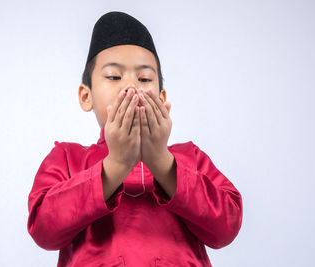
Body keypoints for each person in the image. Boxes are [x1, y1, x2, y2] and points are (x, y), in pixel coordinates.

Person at [27, 11, 243, 267]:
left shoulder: (190, 157)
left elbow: (226, 228)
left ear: (162, 99)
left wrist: (161, 161)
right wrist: (116, 164)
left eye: (144, 78)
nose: (131, 87)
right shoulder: (66, 158)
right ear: (86, 96)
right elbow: (44, 230)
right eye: (114, 77)